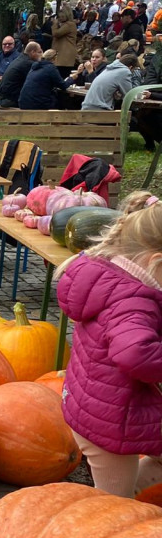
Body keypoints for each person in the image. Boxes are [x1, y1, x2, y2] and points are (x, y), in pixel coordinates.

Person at [55, 192, 162, 498]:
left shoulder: (111, 277)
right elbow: (134, 353)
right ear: (155, 261)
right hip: (110, 426)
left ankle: (139, 498)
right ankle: (90, 537)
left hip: (95, 405)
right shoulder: (133, 300)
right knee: (111, 505)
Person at [0, 40, 41, 108]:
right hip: (11, 99)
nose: (41, 55)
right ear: (33, 52)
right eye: (39, 52)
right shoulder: (28, 64)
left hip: (3, 97)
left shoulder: (20, 59)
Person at [51, 6, 78, 74]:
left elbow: (56, 33)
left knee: (63, 73)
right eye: (59, 17)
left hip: (65, 55)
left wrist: (54, 24)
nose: (59, 18)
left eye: (62, 17)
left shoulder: (69, 25)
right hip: (63, 53)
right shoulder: (67, 24)